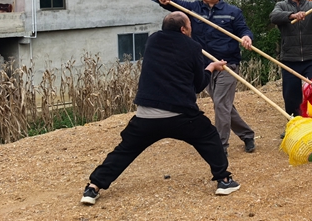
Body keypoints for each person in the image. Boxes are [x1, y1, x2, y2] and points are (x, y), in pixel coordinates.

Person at [80, 11, 240, 205]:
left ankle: (93, 187)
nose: (191, 29)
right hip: (181, 115)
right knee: (209, 137)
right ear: (183, 29)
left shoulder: (153, 41)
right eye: (189, 26)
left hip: (146, 115)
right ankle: (224, 180)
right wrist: (211, 67)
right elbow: (198, 86)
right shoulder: (193, 47)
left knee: (125, 150)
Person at [156, 0, 256, 154]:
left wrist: (246, 37)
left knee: (220, 104)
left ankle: (220, 146)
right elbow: (173, 5)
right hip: (205, 65)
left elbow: (243, 30)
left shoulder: (233, 12)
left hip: (227, 64)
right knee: (223, 105)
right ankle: (247, 135)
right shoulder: (193, 9)